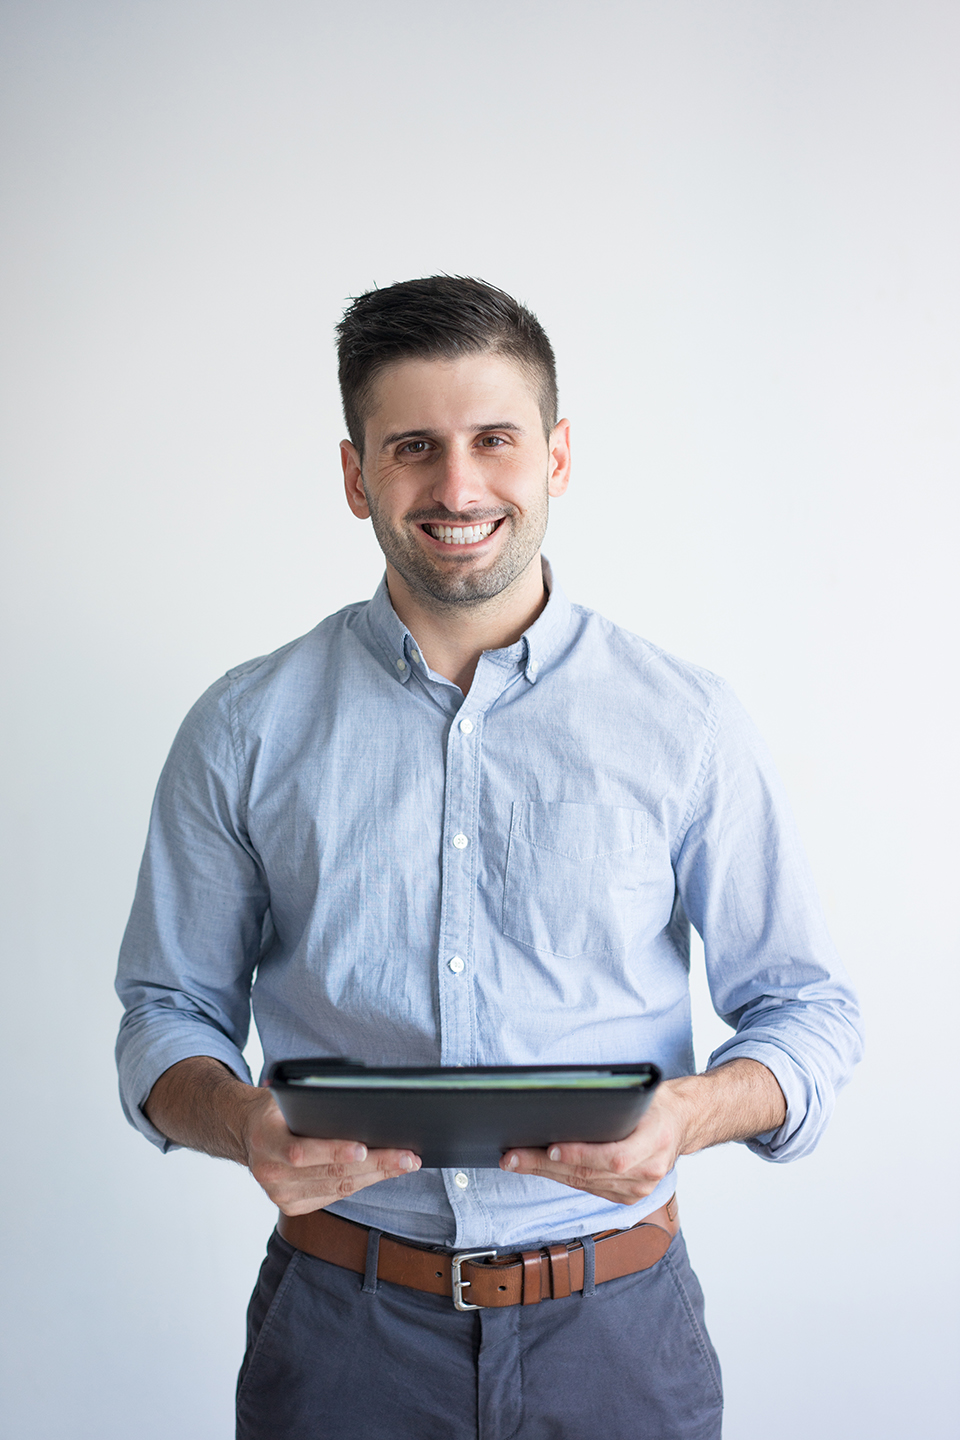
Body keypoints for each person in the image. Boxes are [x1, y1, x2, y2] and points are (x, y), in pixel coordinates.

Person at [115, 276, 862, 1440]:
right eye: (413, 447)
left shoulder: (687, 723)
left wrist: (696, 1112)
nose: (457, 488)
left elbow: (808, 1010)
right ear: (356, 474)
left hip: (616, 1336)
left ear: (557, 458)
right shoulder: (245, 725)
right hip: (340, 1338)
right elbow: (164, 1016)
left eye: (493, 440)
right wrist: (239, 1121)